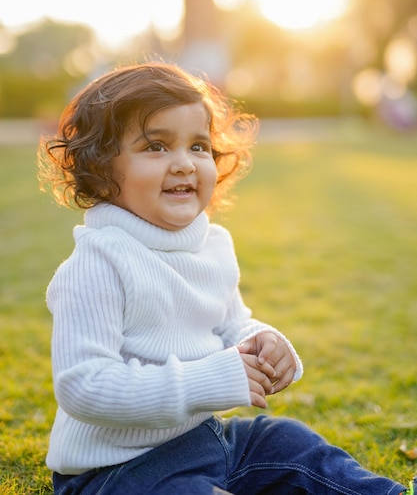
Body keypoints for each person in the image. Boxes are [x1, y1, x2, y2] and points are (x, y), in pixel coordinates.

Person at [38, 62, 415, 495]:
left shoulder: (212, 245)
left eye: (198, 147)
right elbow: (85, 388)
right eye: (156, 146)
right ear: (101, 167)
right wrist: (209, 379)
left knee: (289, 441)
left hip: (204, 440)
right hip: (116, 470)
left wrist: (262, 339)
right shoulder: (98, 263)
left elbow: (232, 323)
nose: (183, 164)